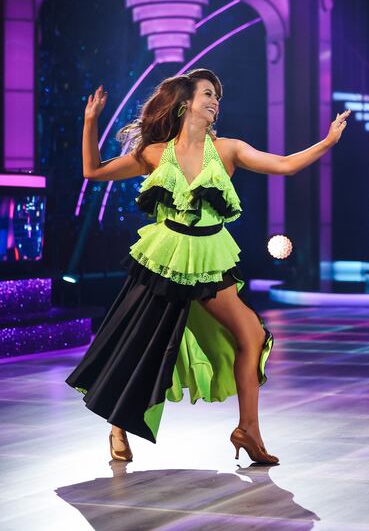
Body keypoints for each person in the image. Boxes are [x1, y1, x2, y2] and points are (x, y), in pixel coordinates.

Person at [67, 69, 350, 464]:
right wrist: (90, 121)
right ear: (185, 103)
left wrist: (328, 140)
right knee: (141, 345)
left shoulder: (228, 149)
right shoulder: (155, 153)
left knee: (253, 336)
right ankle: (118, 426)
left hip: (210, 258)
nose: (215, 100)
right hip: (165, 259)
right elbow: (93, 171)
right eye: (207, 93)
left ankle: (248, 430)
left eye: (217, 95)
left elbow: (284, 165)